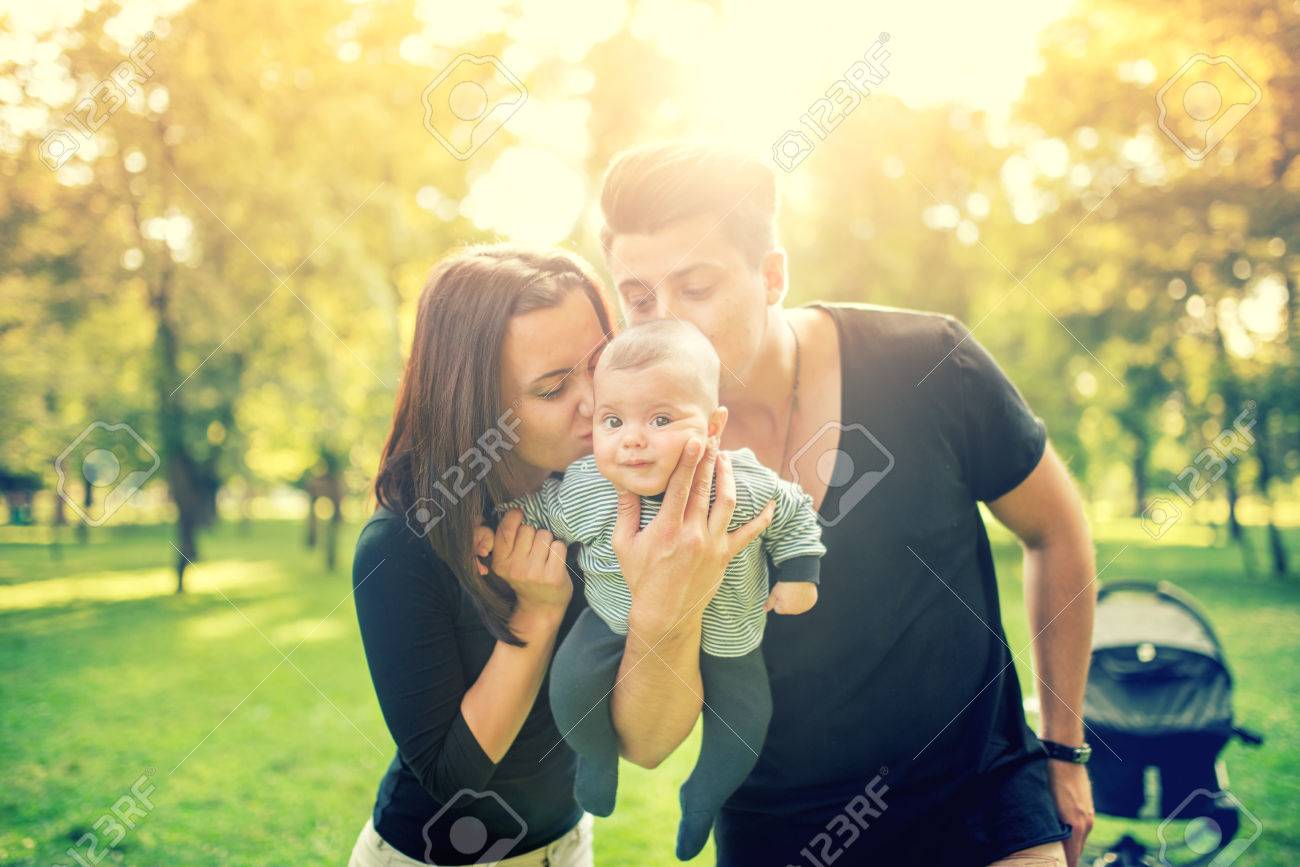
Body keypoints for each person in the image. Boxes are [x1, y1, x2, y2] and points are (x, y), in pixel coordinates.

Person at [596, 143, 1098, 867]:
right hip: (776, 829)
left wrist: (1063, 745)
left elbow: (1057, 530)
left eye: (695, 286)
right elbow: (645, 742)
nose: (664, 322)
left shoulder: (929, 360)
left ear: (772, 275)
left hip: (980, 803)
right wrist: (663, 602)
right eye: (639, 298)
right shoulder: (636, 460)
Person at [348, 243, 773, 865]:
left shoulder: (605, 494)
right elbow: (448, 776)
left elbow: (645, 745)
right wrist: (538, 614)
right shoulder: (404, 544)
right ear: (477, 406)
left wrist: (672, 601)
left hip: (568, 844)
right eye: (552, 388)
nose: (594, 405)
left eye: (598, 365)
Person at [502, 318, 824, 860]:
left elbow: (794, 513)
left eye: (660, 418)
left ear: (714, 425)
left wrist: (800, 573)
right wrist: (499, 529)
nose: (632, 438)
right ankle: (595, 759)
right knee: (570, 685)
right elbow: (539, 510)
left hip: (730, 634)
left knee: (746, 725)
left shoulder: (742, 483)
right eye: (613, 419)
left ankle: (705, 794)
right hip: (613, 622)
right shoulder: (587, 488)